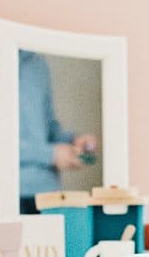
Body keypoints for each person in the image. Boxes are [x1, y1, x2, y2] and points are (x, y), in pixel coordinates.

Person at [16, 48, 98, 213]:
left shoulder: (37, 64)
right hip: (15, 191)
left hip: (48, 192)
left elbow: (49, 125)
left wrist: (73, 141)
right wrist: (51, 154)